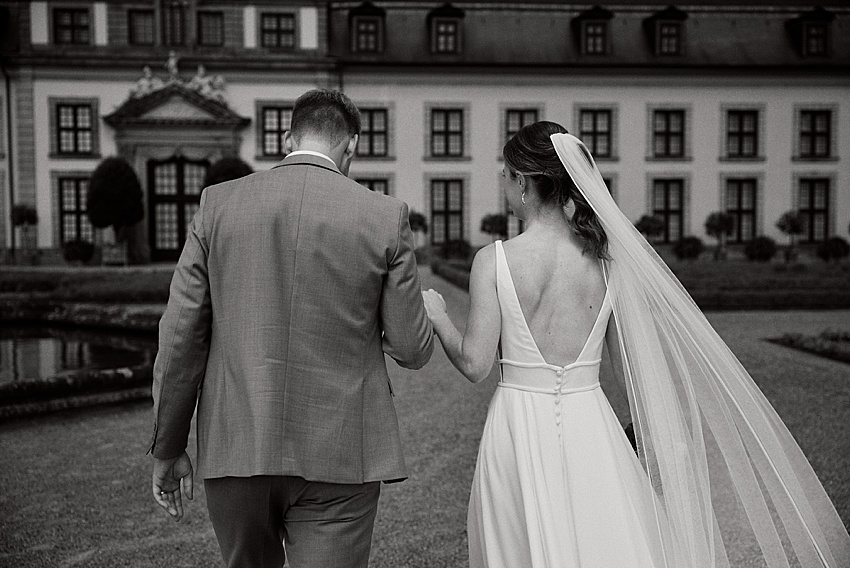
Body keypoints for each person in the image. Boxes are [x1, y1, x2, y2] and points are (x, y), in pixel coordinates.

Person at [422, 121, 850, 568]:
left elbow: (475, 364)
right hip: (591, 425)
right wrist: (661, 443)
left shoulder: (493, 260)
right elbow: (630, 372)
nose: (503, 186)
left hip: (515, 426)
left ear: (525, 183)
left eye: (506, 175)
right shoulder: (605, 263)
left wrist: (438, 318)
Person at [149, 89, 434, 568]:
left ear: (287, 138)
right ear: (353, 147)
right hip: (343, 455)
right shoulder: (385, 216)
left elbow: (180, 338)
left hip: (239, 445)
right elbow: (410, 347)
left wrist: (168, 445)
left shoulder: (217, 205)